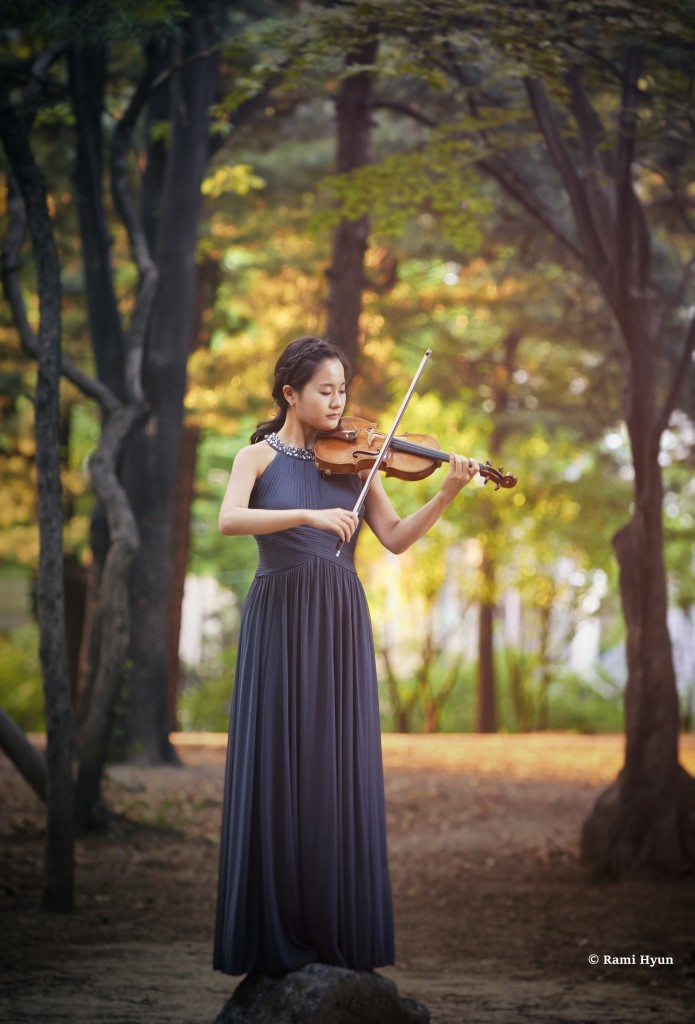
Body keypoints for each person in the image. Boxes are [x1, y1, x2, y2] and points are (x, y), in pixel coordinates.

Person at [213, 335, 477, 978]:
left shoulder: (356, 463)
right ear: (290, 394)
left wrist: (445, 494)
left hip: (336, 620)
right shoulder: (256, 458)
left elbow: (392, 539)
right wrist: (309, 512)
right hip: (279, 617)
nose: (338, 403)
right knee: (281, 764)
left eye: (342, 391)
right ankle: (275, 934)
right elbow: (228, 520)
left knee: (333, 768)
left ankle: (334, 934)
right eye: (325, 391)